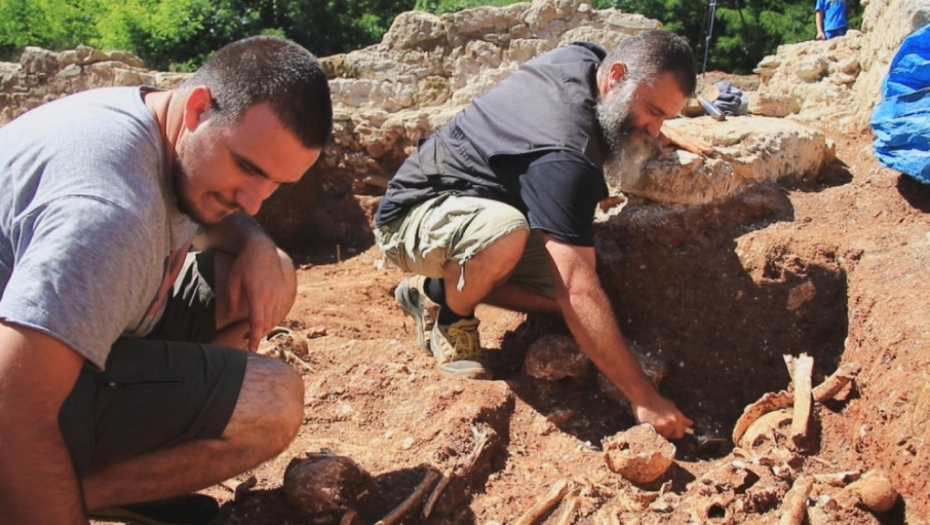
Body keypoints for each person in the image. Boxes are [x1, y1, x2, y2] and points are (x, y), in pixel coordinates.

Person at [0, 35, 332, 524]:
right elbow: (13, 401)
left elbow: (198, 199)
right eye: (246, 168)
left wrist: (254, 243)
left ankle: (102, 484)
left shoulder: (155, 117)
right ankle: (33, 495)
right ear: (198, 108)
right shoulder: (109, 214)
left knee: (270, 274)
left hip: (61, 339)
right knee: (270, 400)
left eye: (275, 184)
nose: (254, 201)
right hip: (21, 395)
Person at [374, 30, 711, 441]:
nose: (656, 131)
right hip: (415, 212)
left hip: (487, 205)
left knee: (574, 300)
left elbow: (574, 296)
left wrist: (645, 125)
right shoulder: (564, 152)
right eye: (653, 111)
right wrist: (644, 397)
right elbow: (577, 288)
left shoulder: (588, 61)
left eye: (665, 118)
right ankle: (453, 319)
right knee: (531, 256)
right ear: (617, 77)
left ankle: (433, 289)